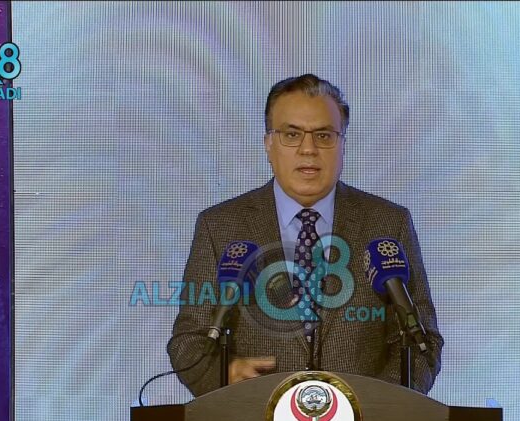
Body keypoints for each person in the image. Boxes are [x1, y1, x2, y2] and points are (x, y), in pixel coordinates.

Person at [168, 74, 443, 397]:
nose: (308, 149)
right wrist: (224, 375)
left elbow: (422, 341)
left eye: (324, 135)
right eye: (291, 134)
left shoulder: (387, 223)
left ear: (342, 144)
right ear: (268, 144)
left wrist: (379, 403)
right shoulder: (220, 226)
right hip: (254, 413)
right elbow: (189, 341)